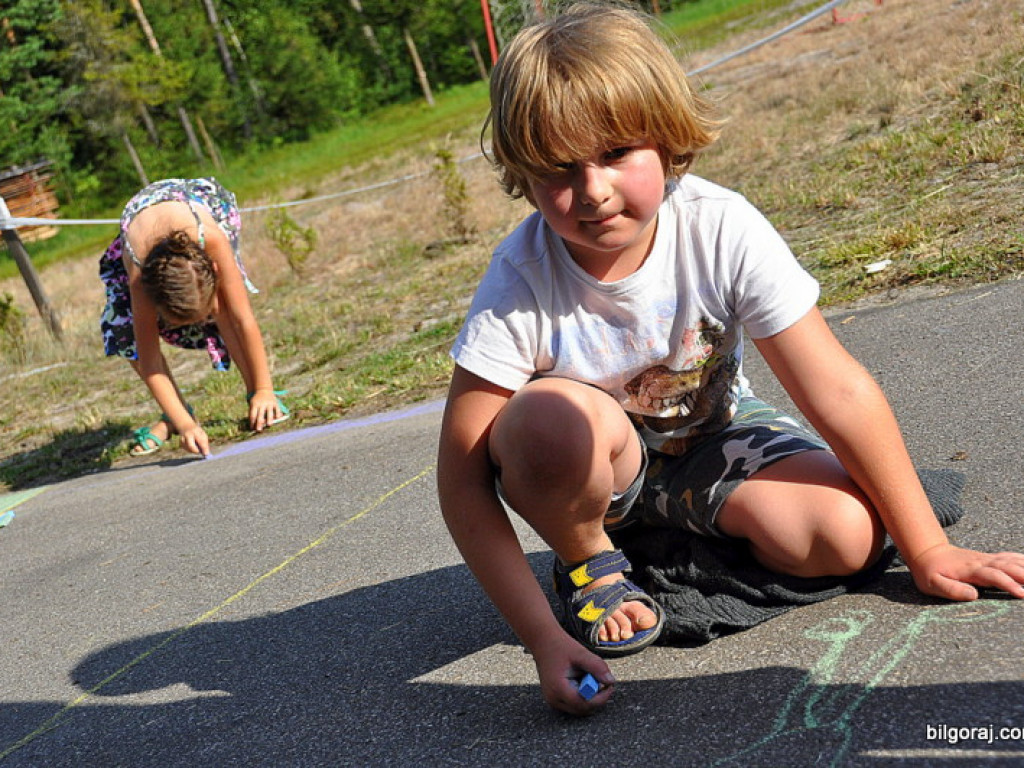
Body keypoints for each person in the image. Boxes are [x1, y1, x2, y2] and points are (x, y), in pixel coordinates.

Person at [436, 3, 1024, 716]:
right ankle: (590, 557)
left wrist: (926, 547)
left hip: (711, 433)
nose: (591, 191)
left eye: (616, 153)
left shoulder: (721, 226)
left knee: (845, 537)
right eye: (558, 169)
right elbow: (464, 479)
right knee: (549, 420)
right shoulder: (520, 281)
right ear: (522, 174)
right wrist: (541, 639)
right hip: (595, 462)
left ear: (666, 139)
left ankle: (663, 534)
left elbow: (834, 386)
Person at [100, 177, 288, 458]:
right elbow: (149, 360)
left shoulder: (212, 240)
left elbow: (243, 320)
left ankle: (256, 394)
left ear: (213, 268)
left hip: (198, 203)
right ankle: (176, 415)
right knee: (123, 331)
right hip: (141, 228)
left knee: (226, 308)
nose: (201, 326)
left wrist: (264, 389)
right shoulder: (139, 278)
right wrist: (186, 425)